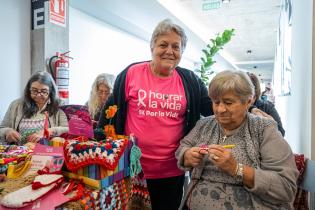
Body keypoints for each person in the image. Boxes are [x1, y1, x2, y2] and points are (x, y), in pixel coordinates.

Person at [98, 19, 213, 210]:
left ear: (182, 52)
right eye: (163, 45)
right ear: (152, 46)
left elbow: (213, 107)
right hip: (132, 169)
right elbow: (108, 115)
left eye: (176, 46)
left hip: (172, 171)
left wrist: (250, 109)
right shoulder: (131, 73)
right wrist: (102, 150)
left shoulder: (190, 80)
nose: (169, 51)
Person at [176, 70, 298, 210]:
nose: (220, 109)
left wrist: (237, 169)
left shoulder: (264, 129)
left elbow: (285, 187)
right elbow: (183, 147)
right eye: (216, 102)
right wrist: (186, 155)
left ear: (248, 101)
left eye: (228, 102)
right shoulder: (204, 125)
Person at [0, 71, 68, 145]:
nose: (38, 95)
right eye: (34, 91)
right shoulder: (16, 105)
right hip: (20, 152)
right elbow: (2, 128)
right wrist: (7, 132)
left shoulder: (59, 105)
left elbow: (67, 129)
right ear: (28, 90)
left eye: (44, 91)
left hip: (48, 152)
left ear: (51, 91)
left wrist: (48, 131)